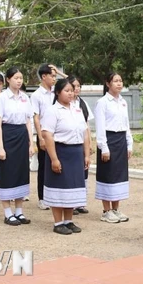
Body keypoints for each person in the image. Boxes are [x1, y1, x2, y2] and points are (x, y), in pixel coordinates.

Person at [40, 78, 90, 235]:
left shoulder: (77, 109)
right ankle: (58, 222)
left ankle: (68, 221)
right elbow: (47, 135)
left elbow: (85, 133)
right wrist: (54, 159)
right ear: (57, 92)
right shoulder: (52, 111)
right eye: (67, 91)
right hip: (61, 151)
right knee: (59, 187)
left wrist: (86, 154)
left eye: (72, 91)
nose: (70, 93)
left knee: (72, 187)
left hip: (76, 153)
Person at [0, 67, 35, 226]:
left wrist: (31, 143)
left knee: (21, 173)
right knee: (7, 172)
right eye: (16, 78)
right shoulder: (2, 98)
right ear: (8, 79)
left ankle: (19, 211)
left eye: (21, 78)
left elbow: (28, 121)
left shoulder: (25, 97)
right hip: (8, 135)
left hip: (22, 135)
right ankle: (7, 212)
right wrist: (0, 146)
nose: (19, 81)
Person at [94, 72, 132, 224]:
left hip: (121, 140)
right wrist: (103, 147)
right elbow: (100, 126)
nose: (119, 83)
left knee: (119, 175)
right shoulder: (102, 102)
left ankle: (116, 209)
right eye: (115, 81)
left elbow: (126, 124)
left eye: (120, 81)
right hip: (109, 140)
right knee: (108, 174)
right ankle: (106, 210)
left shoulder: (123, 102)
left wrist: (129, 143)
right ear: (108, 84)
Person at [31, 64, 58, 210]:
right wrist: (40, 137)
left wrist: (59, 72)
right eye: (52, 76)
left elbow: (72, 82)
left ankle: (55, 196)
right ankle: (42, 198)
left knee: (57, 164)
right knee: (44, 166)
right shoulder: (37, 95)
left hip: (58, 135)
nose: (54, 79)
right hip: (44, 135)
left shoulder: (57, 92)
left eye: (55, 76)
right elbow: (36, 117)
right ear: (44, 76)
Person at [68, 75, 92, 215]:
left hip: (83, 141)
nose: (76, 89)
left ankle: (80, 202)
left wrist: (89, 143)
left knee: (83, 172)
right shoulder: (65, 104)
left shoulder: (83, 103)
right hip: (71, 142)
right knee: (72, 173)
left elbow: (86, 125)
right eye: (73, 86)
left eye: (78, 86)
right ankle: (70, 204)